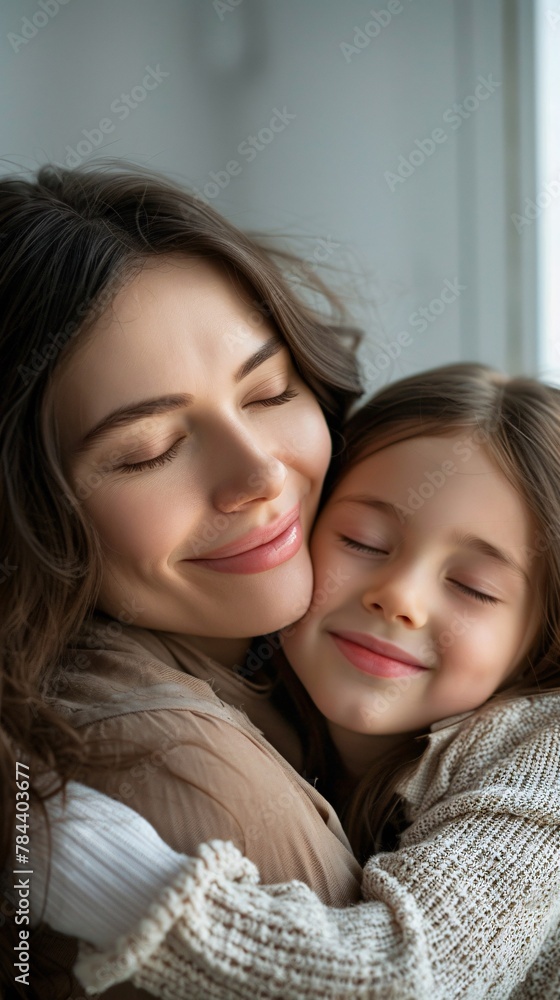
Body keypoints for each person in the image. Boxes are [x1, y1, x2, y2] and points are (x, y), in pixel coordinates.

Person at [34, 364, 560, 998]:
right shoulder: (256, 702)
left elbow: (406, 981)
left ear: (540, 639)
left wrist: (92, 870)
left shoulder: (544, 759)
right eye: (364, 542)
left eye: (473, 586)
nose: (399, 597)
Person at [0, 161, 364, 998]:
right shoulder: (172, 767)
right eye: (149, 451)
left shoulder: (286, 653)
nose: (259, 475)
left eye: (269, 392)